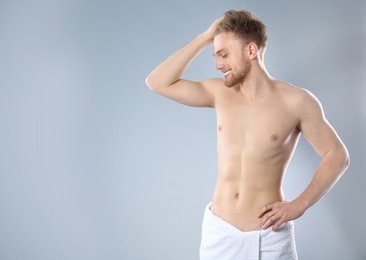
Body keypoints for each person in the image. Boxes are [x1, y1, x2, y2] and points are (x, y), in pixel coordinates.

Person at [145, 9, 349, 260]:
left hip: (269, 236)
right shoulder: (218, 92)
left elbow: (337, 155)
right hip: (219, 234)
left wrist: (300, 204)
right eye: (216, 55)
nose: (218, 64)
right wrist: (205, 37)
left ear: (251, 51)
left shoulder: (296, 101)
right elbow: (157, 82)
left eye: (224, 54)